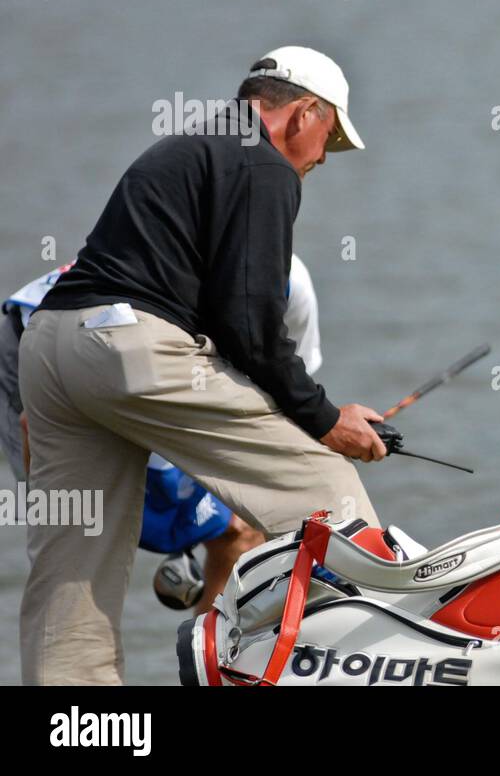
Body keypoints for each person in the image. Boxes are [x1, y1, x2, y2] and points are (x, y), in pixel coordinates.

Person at [19, 46, 388, 685]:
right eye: (329, 136)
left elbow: (220, 315)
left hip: (51, 349)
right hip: (125, 349)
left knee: (71, 578)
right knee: (332, 499)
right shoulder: (265, 164)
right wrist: (326, 420)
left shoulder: (189, 142)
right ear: (303, 114)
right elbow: (249, 321)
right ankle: (375, 665)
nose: (324, 156)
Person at [2, 254, 327, 613]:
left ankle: (214, 662)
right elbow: (37, 425)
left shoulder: (294, 283)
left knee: (239, 527)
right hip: (49, 339)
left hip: (142, 352)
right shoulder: (171, 277)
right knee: (78, 529)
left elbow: (290, 400)